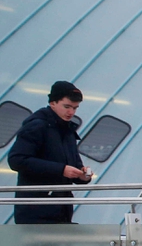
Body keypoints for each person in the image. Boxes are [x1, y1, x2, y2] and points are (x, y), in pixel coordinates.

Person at [8, 80, 92, 224]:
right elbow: (17, 160)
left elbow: (74, 165)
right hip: (36, 211)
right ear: (53, 103)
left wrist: (83, 176)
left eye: (75, 108)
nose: (71, 112)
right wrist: (61, 170)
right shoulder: (37, 126)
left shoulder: (68, 131)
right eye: (67, 107)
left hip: (60, 209)